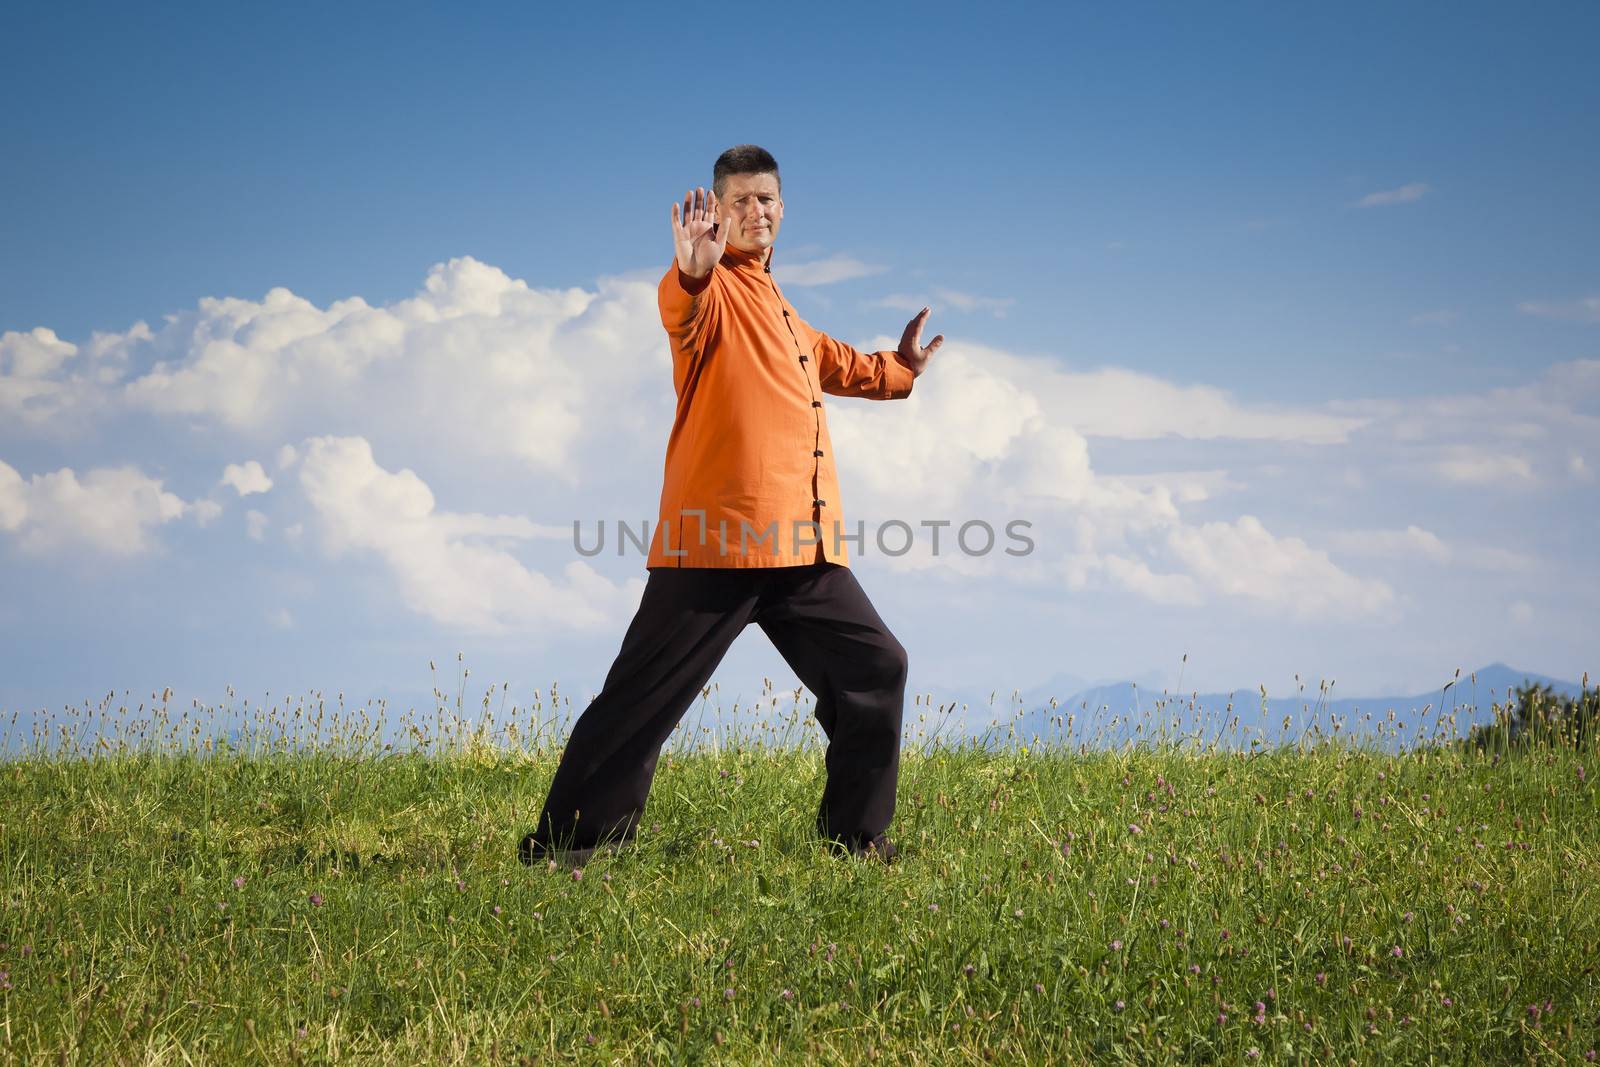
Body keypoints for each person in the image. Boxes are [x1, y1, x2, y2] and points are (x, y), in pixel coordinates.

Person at [519, 144, 943, 867]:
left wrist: (900, 369)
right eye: (740, 200)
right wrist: (691, 267)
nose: (756, 211)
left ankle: (855, 840)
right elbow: (680, 306)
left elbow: (838, 361)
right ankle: (566, 846)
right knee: (640, 698)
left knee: (877, 667)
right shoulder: (711, 291)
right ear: (715, 212)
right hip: (714, 544)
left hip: (800, 551)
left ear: (783, 210)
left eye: (767, 199)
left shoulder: (783, 309)